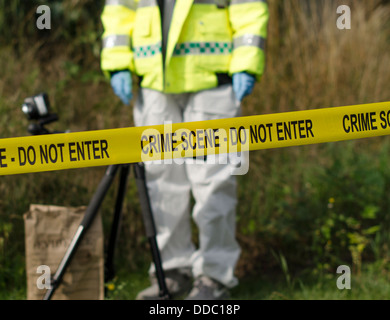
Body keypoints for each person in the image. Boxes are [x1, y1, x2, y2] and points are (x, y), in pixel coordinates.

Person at [100, 0, 269, 300]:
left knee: (213, 182)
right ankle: (171, 272)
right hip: (154, 83)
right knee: (160, 183)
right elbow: (119, 10)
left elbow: (250, 9)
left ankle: (214, 277)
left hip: (212, 81)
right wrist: (117, 62)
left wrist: (246, 63)